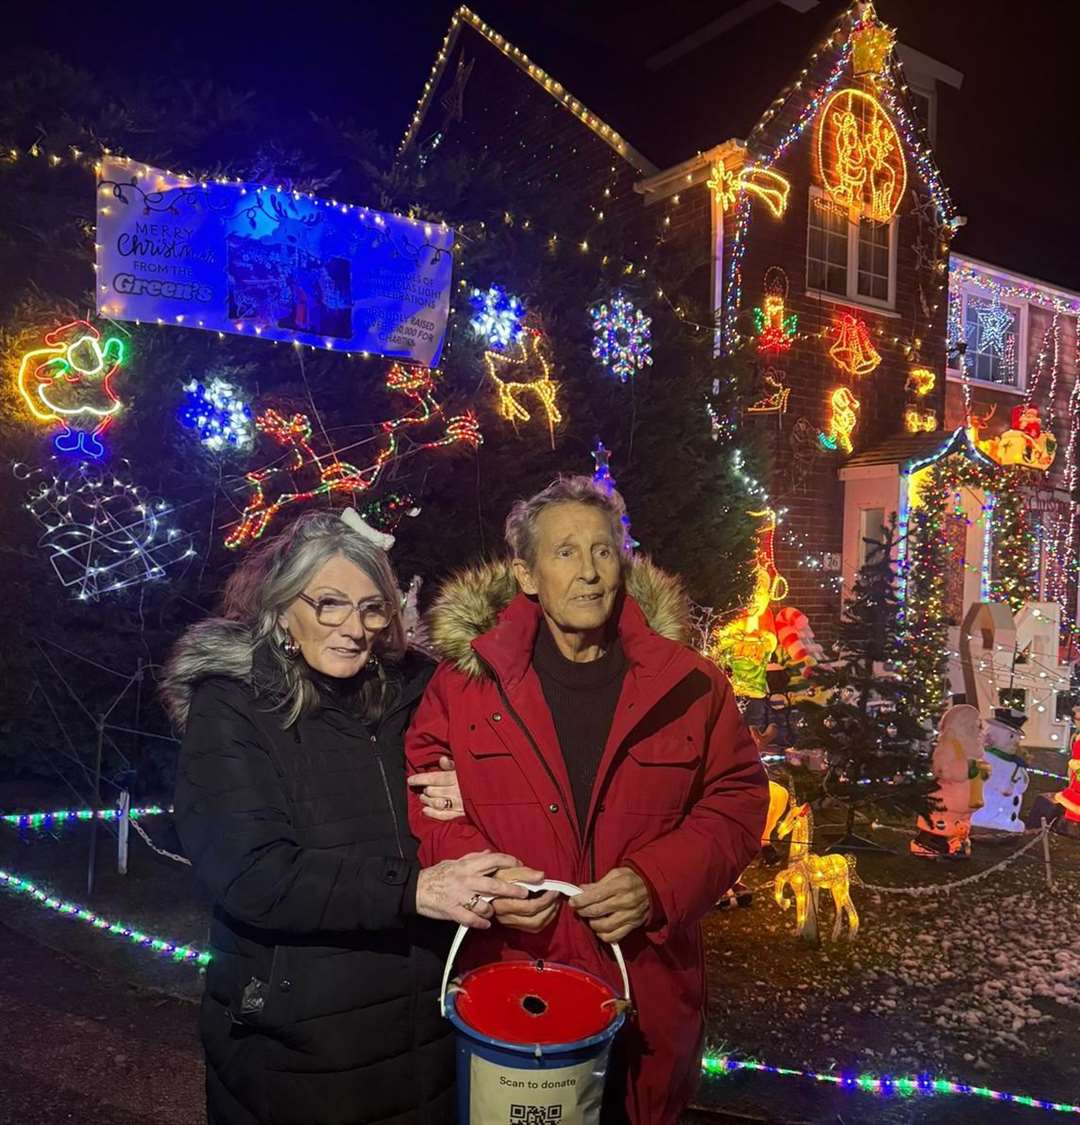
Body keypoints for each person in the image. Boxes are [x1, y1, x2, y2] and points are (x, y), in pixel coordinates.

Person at [406, 476, 769, 1125]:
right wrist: (479, 870)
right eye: (565, 552)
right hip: (514, 995)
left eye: (603, 551)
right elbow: (429, 800)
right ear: (525, 571)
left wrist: (655, 883)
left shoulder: (688, 684)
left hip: (643, 1007)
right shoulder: (465, 686)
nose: (590, 572)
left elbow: (738, 798)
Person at [162, 509, 534, 1125]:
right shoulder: (232, 708)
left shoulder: (416, 692)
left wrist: (476, 790)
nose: (354, 629)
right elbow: (252, 873)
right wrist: (416, 889)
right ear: (283, 609)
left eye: (372, 608)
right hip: (298, 1045)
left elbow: (511, 770)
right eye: (329, 604)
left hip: (427, 1026)